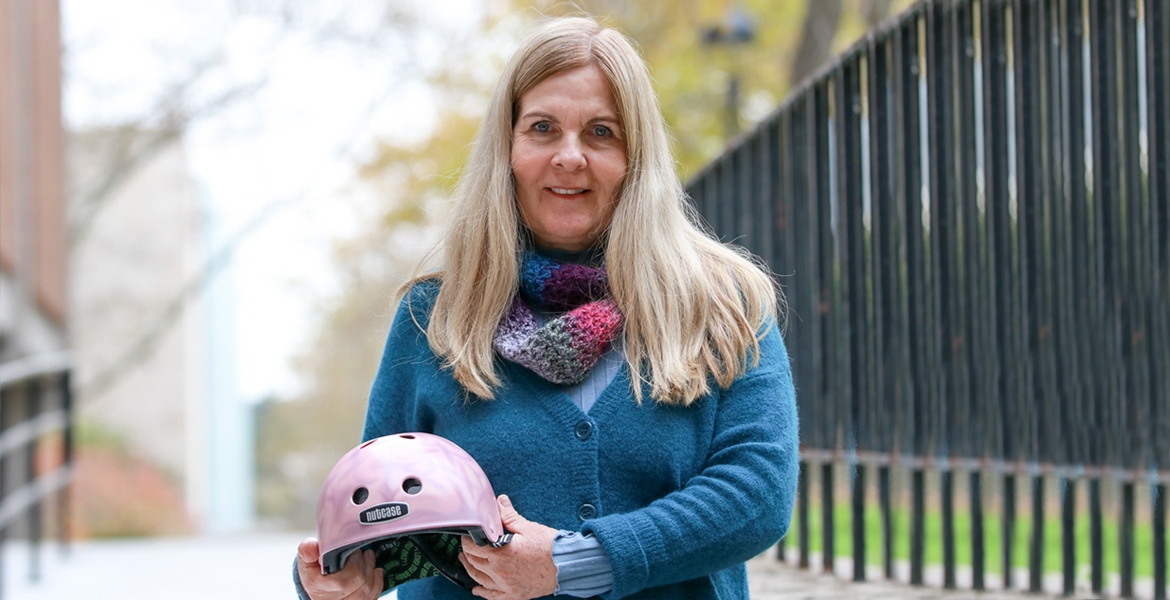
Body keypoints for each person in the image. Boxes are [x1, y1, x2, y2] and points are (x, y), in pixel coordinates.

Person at [295, 14, 798, 600]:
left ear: (638, 155)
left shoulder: (719, 303)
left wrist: (573, 560)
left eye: (601, 132)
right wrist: (334, 580)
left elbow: (756, 493)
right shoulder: (434, 317)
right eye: (542, 128)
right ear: (507, 148)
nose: (569, 156)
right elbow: (377, 507)